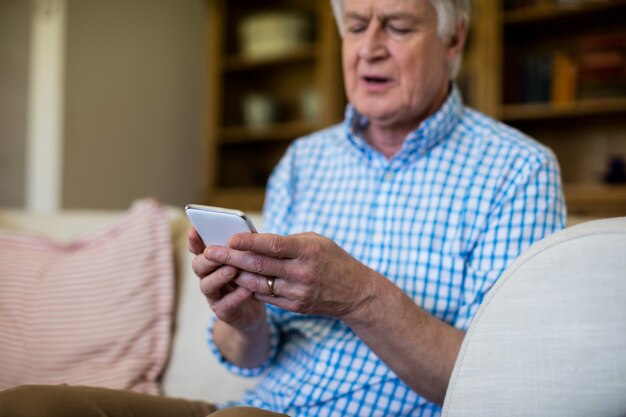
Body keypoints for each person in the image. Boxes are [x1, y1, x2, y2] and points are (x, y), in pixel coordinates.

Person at [0, 0, 565, 416]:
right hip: (254, 406)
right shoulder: (302, 160)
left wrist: (362, 296)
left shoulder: (517, 171)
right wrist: (242, 319)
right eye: (354, 25)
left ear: (454, 39)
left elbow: (501, 385)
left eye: (397, 25)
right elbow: (248, 358)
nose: (369, 46)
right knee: (29, 408)